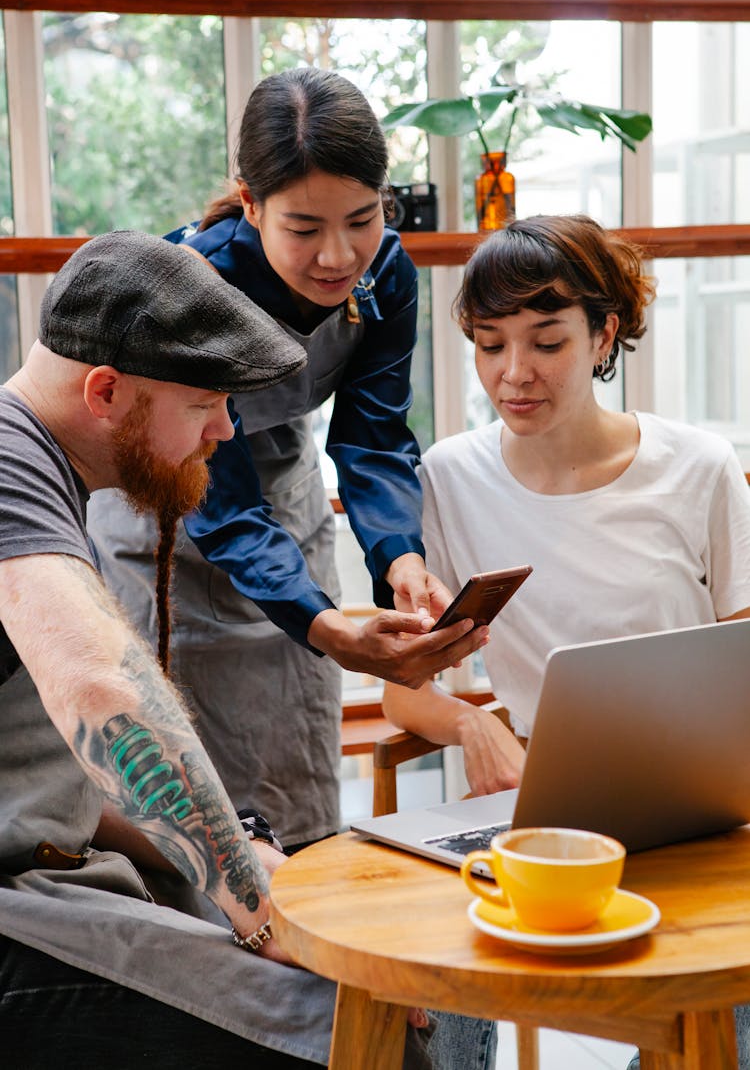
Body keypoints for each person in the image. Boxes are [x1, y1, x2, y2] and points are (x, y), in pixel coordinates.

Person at [0, 231, 496, 1069]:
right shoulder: (9, 468)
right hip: (21, 914)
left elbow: (56, 787)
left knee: (439, 988)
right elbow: (101, 690)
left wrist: (250, 848)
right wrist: (265, 913)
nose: (227, 431)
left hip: (60, 878)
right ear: (107, 391)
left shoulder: (43, 468)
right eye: (204, 403)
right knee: (371, 1026)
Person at [380, 212, 750, 1069]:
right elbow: (405, 688)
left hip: (692, 805)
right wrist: (475, 723)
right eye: (490, 344)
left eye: (546, 341)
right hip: (531, 815)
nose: (514, 374)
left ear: (603, 333)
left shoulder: (696, 466)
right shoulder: (447, 478)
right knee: (431, 988)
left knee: (718, 991)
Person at [86, 67, 486, 852]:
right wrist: (324, 622)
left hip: (286, 487)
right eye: (303, 229)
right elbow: (225, 504)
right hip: (173, 495)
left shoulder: (388, 274)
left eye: (364, 219)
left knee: (296, 747)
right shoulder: (192, 287)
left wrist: (400, 557)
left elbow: (372, 438)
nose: (339, 256)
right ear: (250, 203)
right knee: (188, 778)